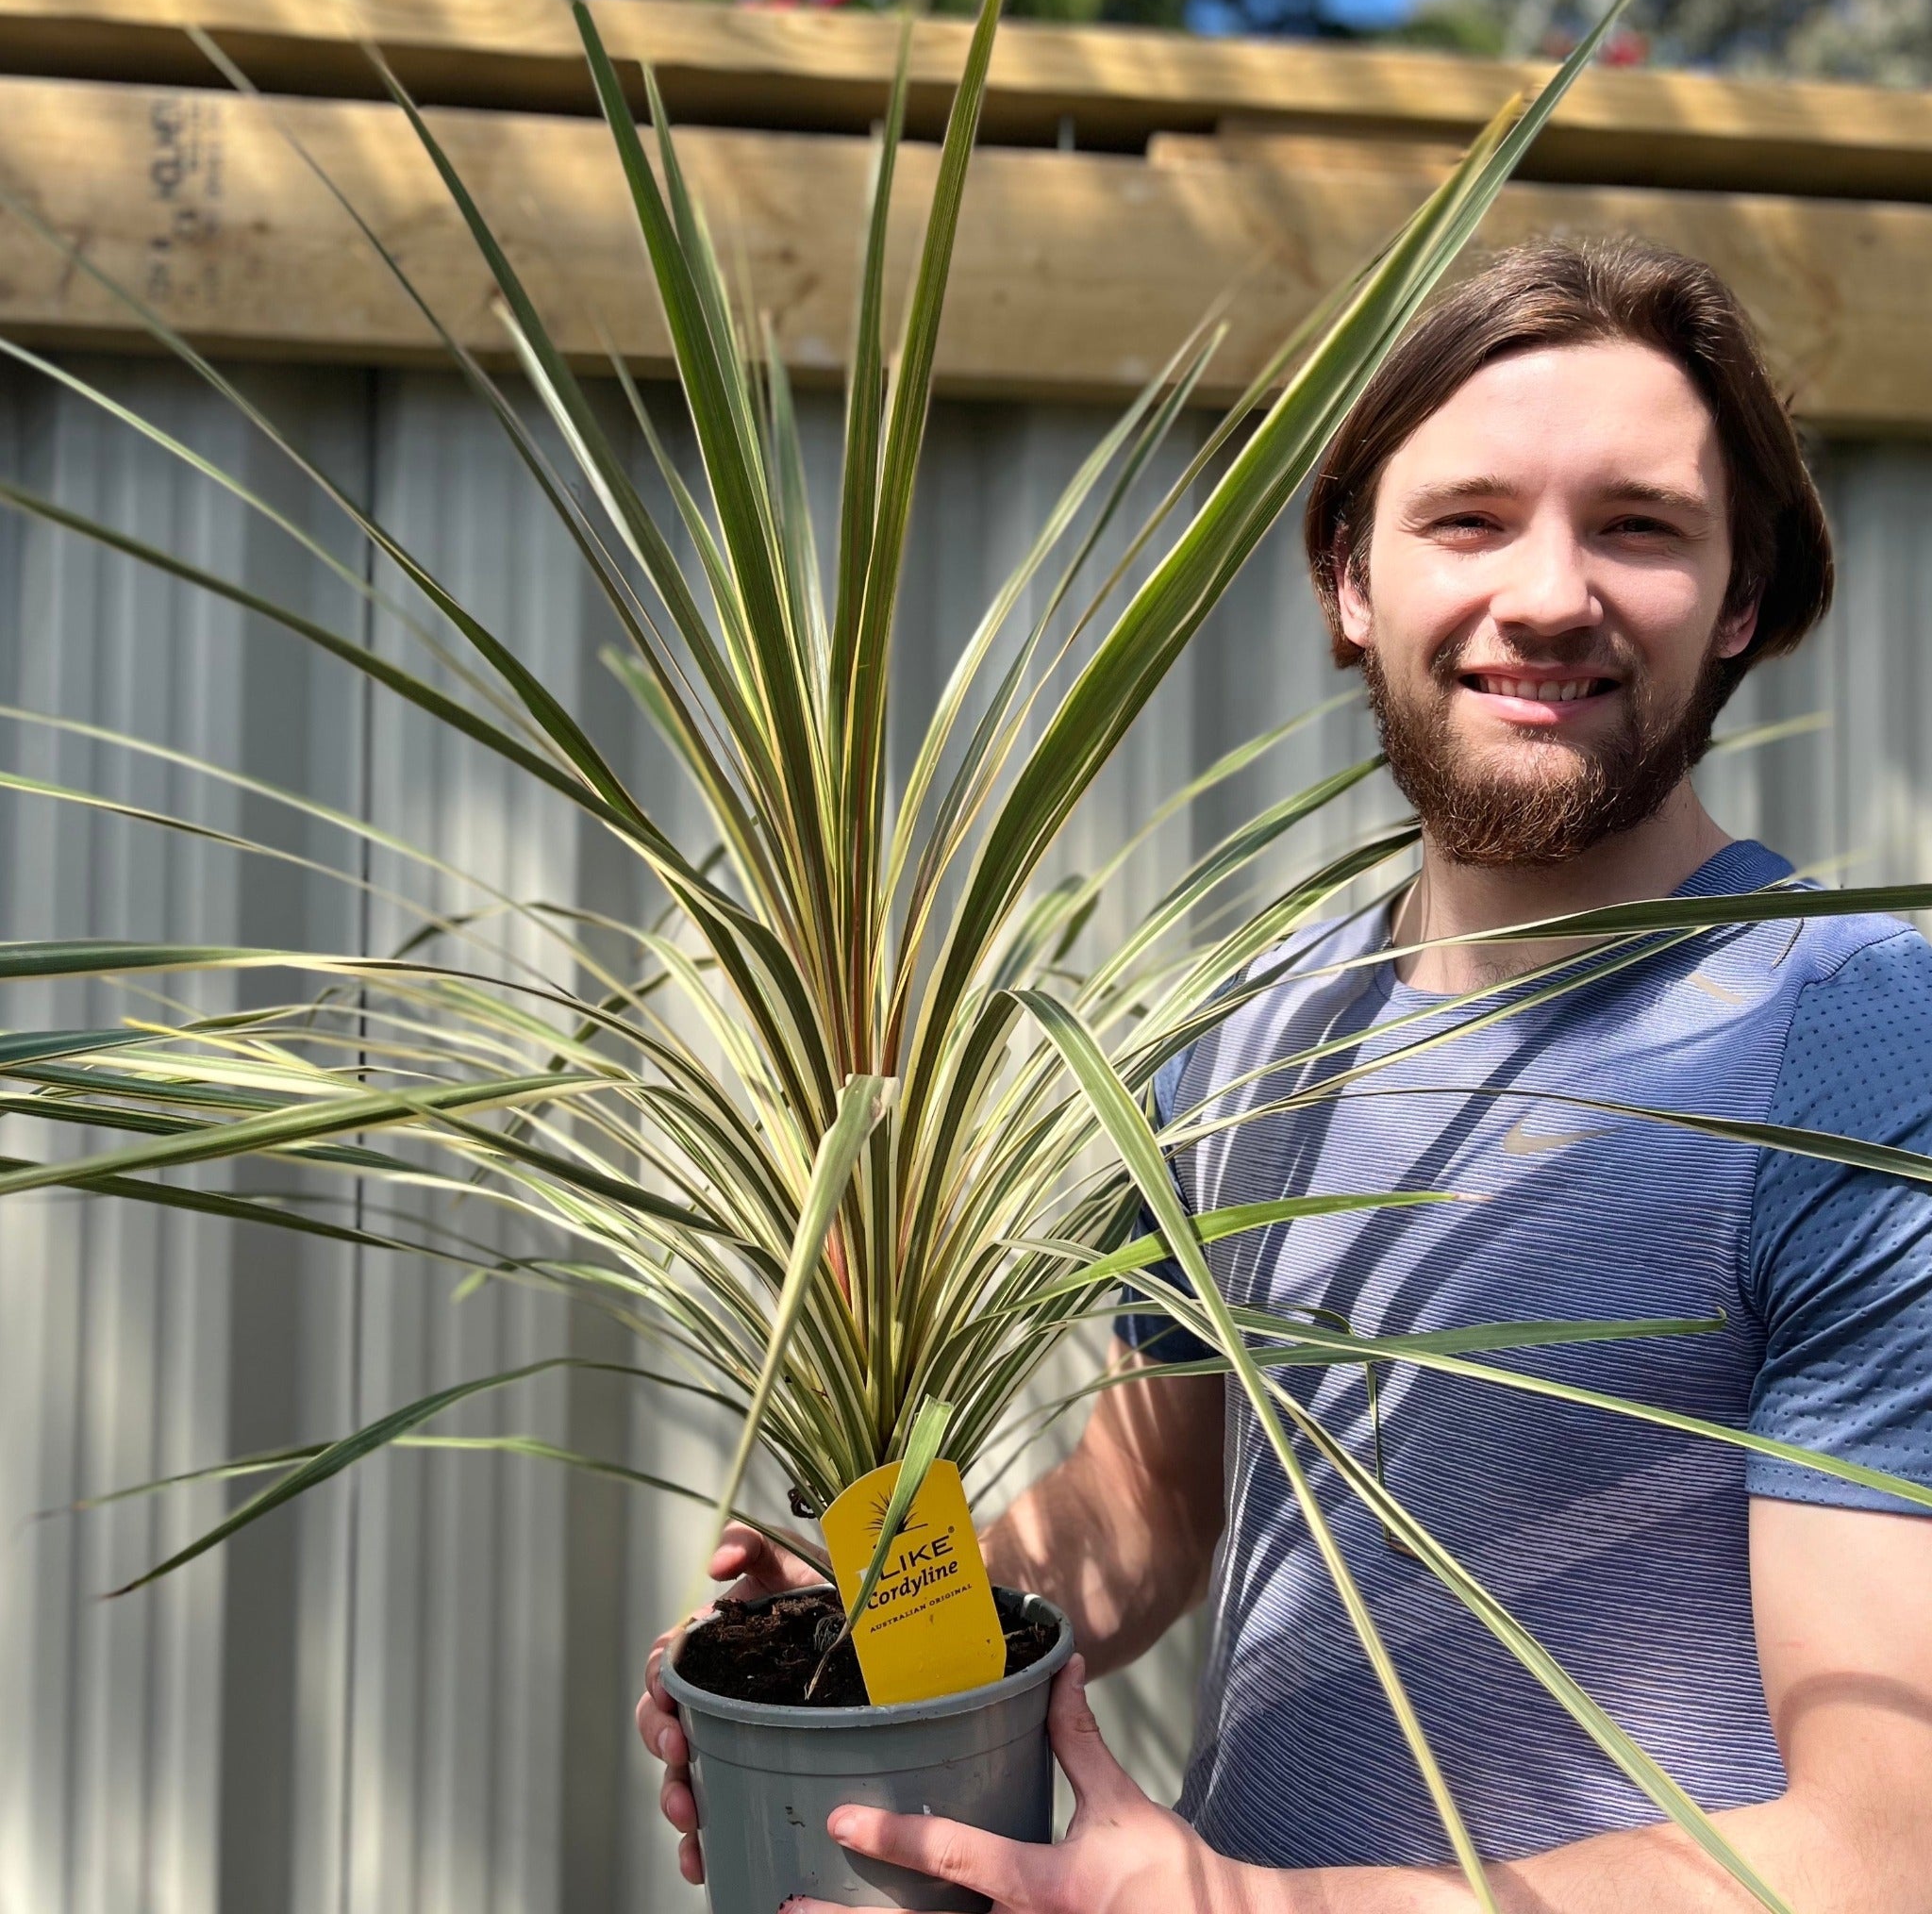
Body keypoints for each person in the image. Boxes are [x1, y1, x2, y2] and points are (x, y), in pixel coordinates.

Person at [640, 239, 1932, 1911]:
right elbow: (1147, 1509)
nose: (1550, 593)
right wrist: (862, 1632)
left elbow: (1880, 1850)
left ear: (1741, 598)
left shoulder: (1861, 1050)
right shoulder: (1253, 1024)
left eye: (1638, 525)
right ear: (1350, 579)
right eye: (1470, 519)